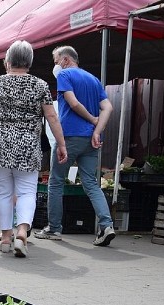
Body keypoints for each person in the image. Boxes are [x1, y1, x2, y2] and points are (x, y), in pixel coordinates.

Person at [0, 40, 66, 258]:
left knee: (2, 192)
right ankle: (22, 232)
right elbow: (51, 116)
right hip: (28, 145)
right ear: (30, 61)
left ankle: (5, 238)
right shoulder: (40, 85)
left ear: (8, 61)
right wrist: (61, 144)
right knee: (26, 191)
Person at [35, 45, 115, 246]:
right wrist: (96, 130)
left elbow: (73, 103)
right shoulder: (93, 79)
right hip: (90, 140)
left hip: (70, 136)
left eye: (55, 60)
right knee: (90, 183)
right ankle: (106, 225)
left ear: (64, 60)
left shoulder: (65, 75)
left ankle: (54, 228)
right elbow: (108, 107)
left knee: (56, 182)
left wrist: (91, 120)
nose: (55, 65)